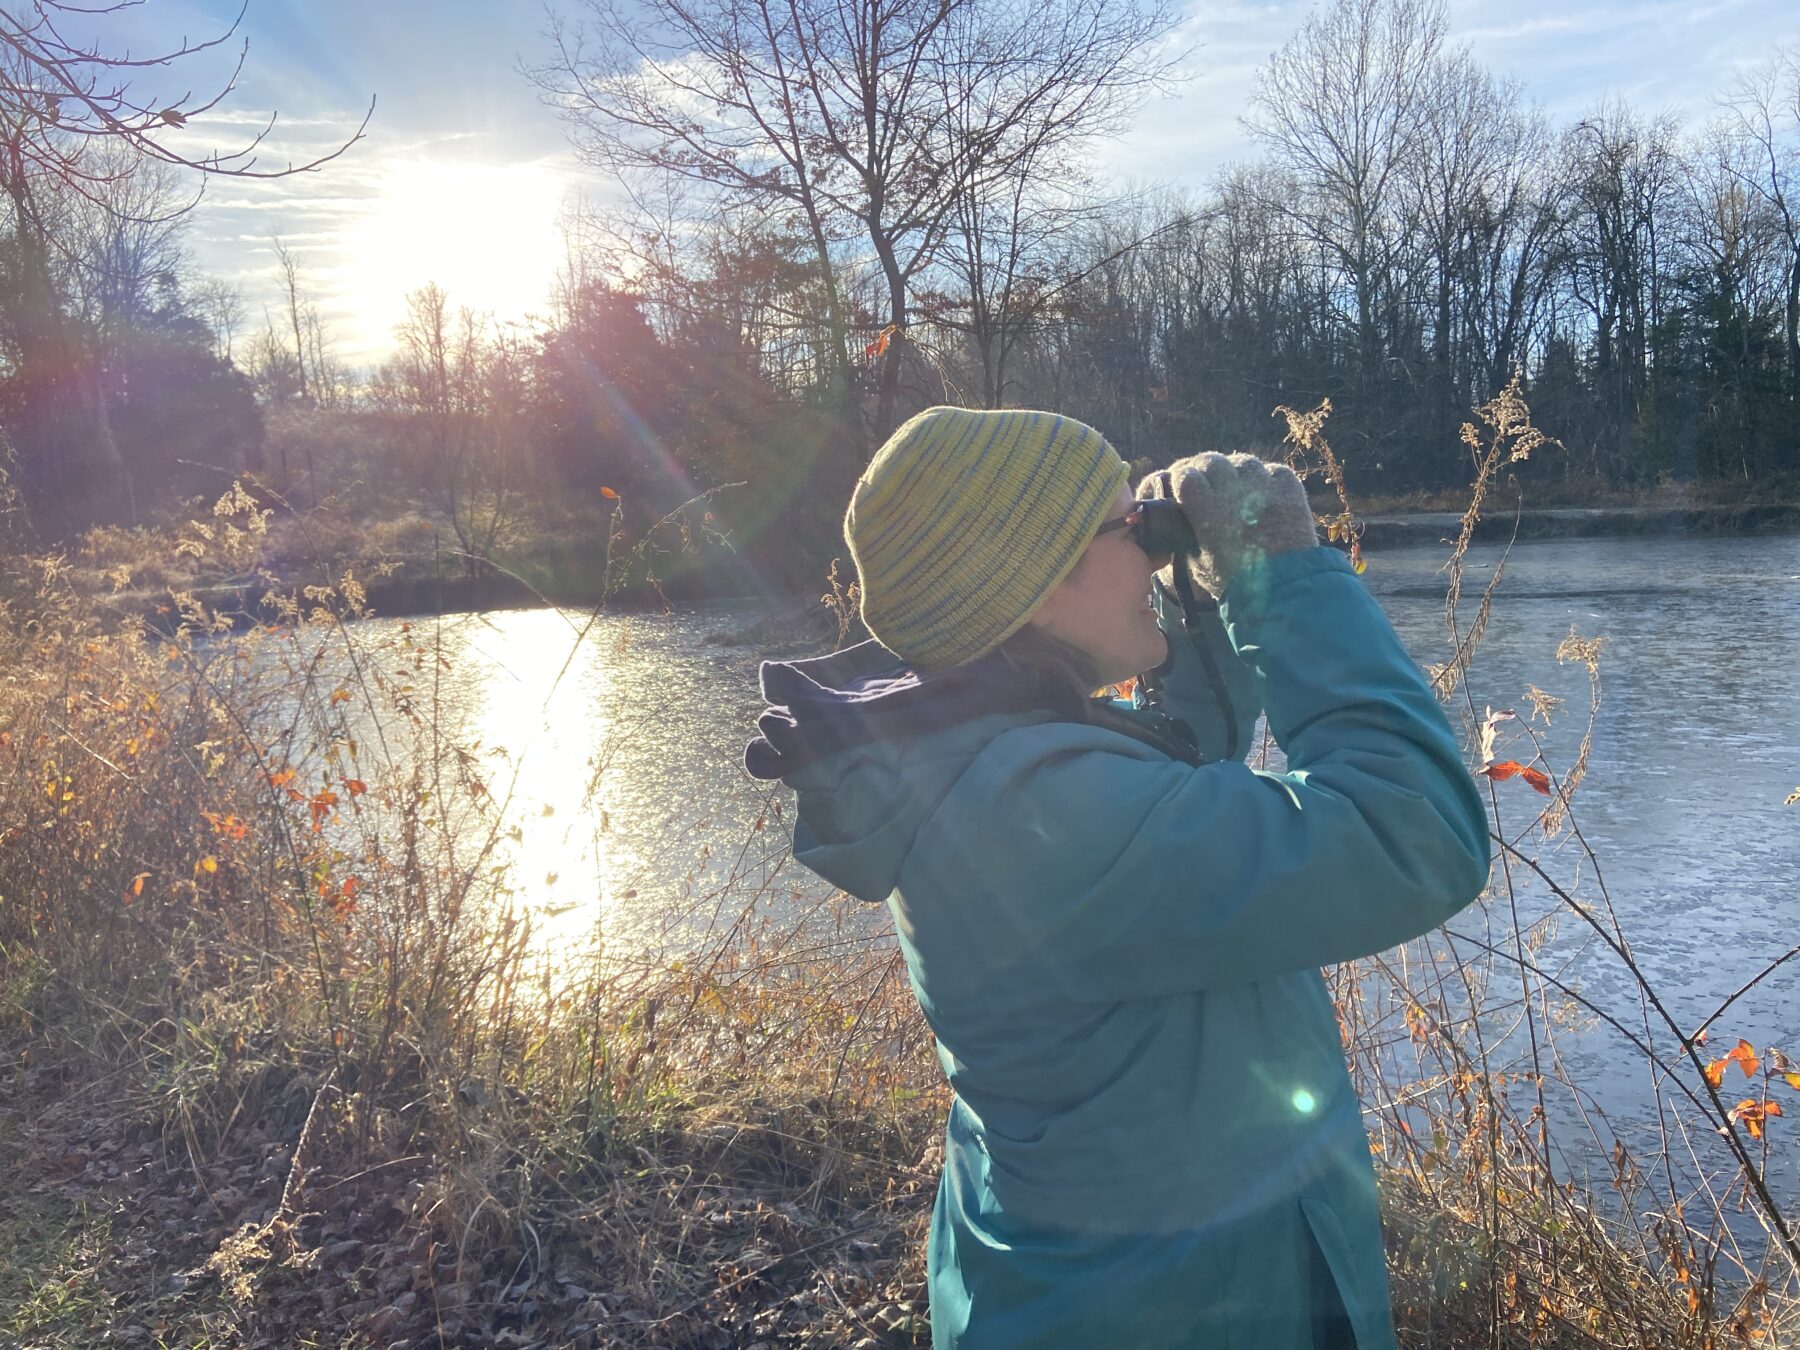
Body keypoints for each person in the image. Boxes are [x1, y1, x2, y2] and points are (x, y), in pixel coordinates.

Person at [744, 407, 1490, 1349]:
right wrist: (1287, 580)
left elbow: (1168, 788)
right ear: (1033, 582)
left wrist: (1198, 618)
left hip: (1109, 1287)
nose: (1148, 550)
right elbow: (1415, 831)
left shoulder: (980, 759)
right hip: (1174, 1311)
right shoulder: (1043, 820)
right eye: (1126, 529)